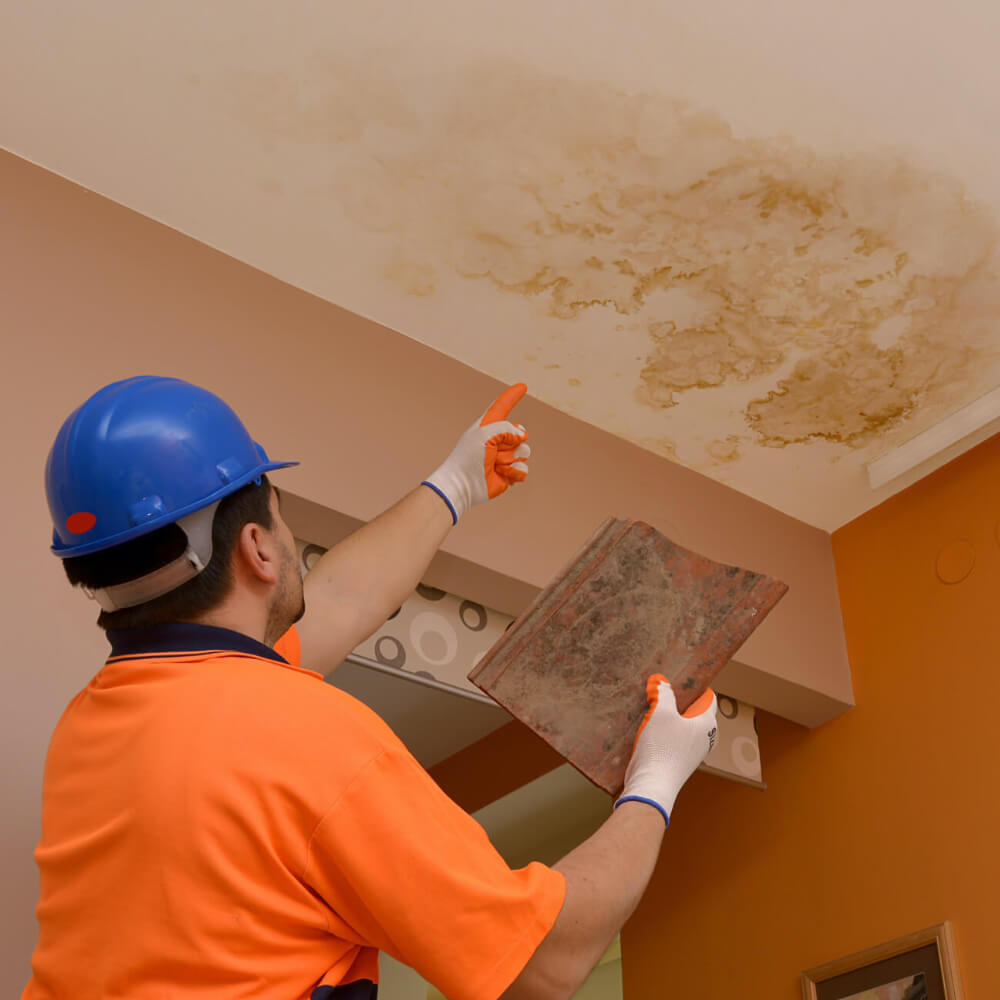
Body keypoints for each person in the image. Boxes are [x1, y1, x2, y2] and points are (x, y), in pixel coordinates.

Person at [25, 375, 717, 1000]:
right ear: (259, 549)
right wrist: (654, 784)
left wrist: (455, 485)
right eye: (281, 514)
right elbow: (543, 962)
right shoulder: (306, 735)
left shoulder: (93, 725)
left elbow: (337, 602)